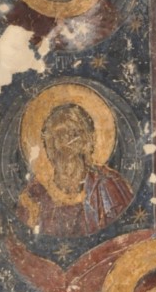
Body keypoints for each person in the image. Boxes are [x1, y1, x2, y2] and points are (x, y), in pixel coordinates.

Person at [17, 101, 133, 237]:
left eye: (74, 134)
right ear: (50, 143)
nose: (67, 141)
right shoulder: (34, 196)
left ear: (86, 140)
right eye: (60, 135)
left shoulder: (108, 186)